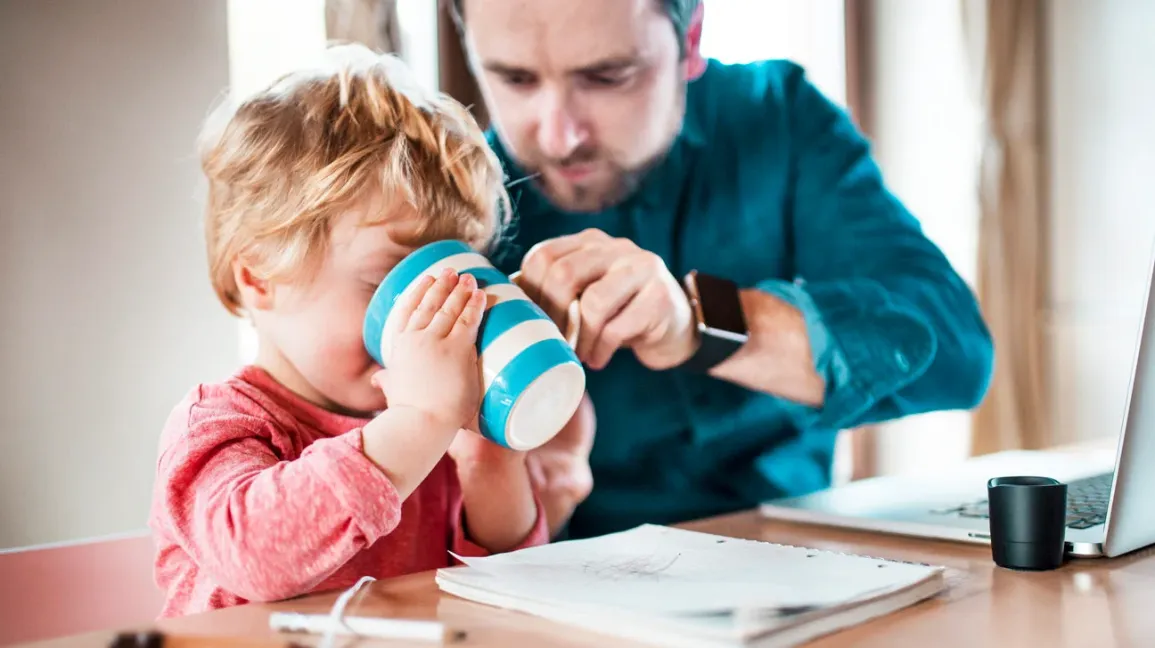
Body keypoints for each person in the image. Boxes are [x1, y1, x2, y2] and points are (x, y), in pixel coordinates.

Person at [446, 0, 996, 539]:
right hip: (559, 580)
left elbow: (955, 353)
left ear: (690, 41)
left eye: (608, 76)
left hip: (797, 563)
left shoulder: (780, 119)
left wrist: (699, 323)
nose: (558, 137)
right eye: (515, 79)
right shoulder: (451, 200)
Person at [147, 45, 562, 617]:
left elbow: (510, 578)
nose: (425, 324)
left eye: (449, 280)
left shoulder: (430, 424)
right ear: (260, 277)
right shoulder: (223, 425)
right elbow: (255, 556)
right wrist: (418, 421)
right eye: (387, 285)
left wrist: (492, 463)